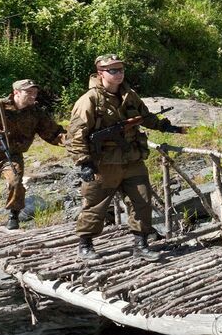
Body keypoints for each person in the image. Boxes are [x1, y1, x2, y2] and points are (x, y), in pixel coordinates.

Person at [65, 54, 182, 260]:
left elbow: (144, 116)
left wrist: (162, 125)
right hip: (104, 162)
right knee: (96, 204)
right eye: (113, 70)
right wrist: (84, 162)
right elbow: (76, 134)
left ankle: (141, 243)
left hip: (131, 158)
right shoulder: (89, 100)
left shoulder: (129, 94)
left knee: (142, 200)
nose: (118, 74)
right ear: (101, 73)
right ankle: (85, 244)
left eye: (120, 70)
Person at [0, 79, 65, 232]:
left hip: (13, 155)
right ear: (16, 92)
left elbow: (52, 132)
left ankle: (13, 216)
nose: (33, 96)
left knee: (15, 182)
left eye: (35, 92)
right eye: (28, 92)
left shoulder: (36, 113)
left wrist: (73, 141)